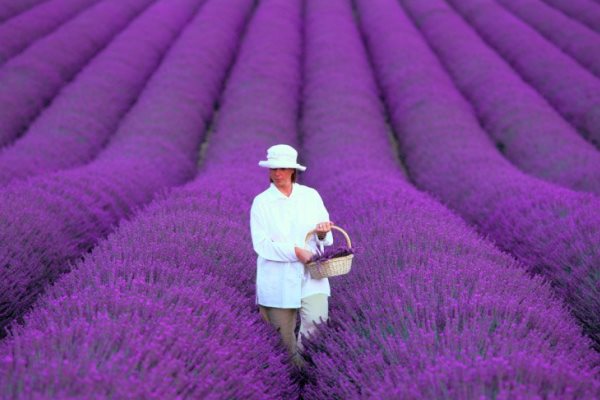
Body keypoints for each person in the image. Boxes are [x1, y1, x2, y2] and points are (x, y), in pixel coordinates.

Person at [250, 144, 334, 369]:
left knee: (316, 326)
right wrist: (296, 251)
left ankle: (308, 376)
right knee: (282, 343)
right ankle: (291, 382)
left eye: (283, 168)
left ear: (293, 171)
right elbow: (262, 245)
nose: (277, 173)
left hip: (312, 274)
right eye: (273, 169)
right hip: (277, 278)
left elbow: (326, 238)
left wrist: (323, 233)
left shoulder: (310, 196)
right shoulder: (261, 202)